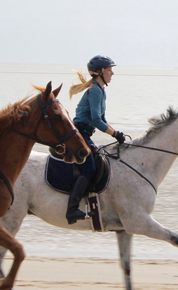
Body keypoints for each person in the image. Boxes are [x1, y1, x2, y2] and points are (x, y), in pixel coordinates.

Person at [66, 55, 126, 224]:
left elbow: (103, 119)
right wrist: (114, 134)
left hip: (85, 133)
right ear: (100, 72)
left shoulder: (100, 90)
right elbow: (95, 121)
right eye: (109, 70)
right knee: (89, 168)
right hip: (80, 133)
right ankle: (72, 209)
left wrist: (117, 133)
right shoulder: (94, 91)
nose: (112, 73)